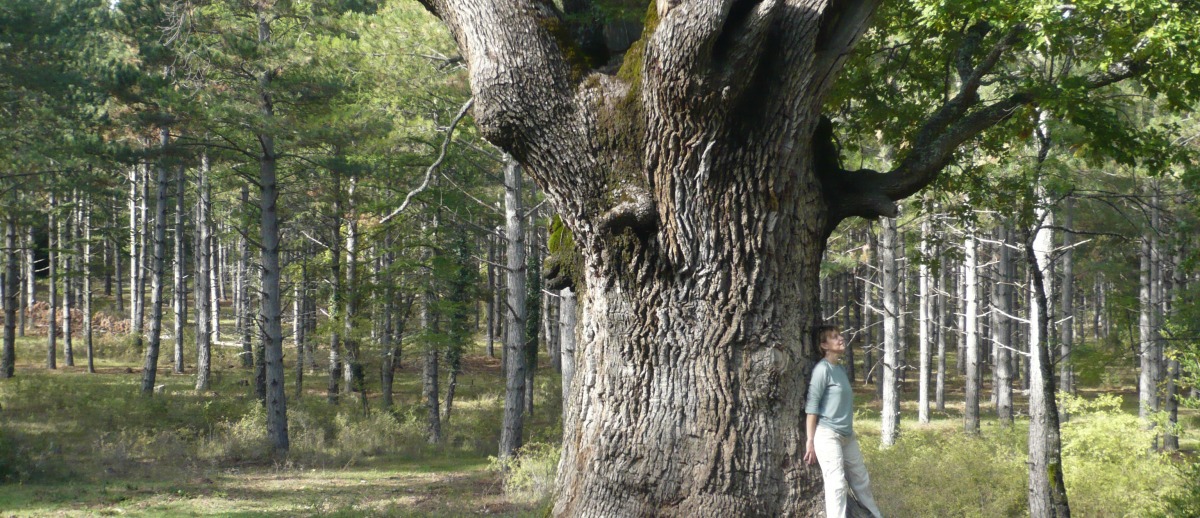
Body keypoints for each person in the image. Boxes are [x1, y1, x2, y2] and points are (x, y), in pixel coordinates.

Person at [804, 325, 883, 518]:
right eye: (834, 337)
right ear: (824, 345)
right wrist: (810, 440)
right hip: (828, 435)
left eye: (839, 335)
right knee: (837, 485)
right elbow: (812, 406)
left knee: (861, 480)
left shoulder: (839, 369)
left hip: (847, 435)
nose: (841, 339)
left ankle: (875, 515)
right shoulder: (822, 370)